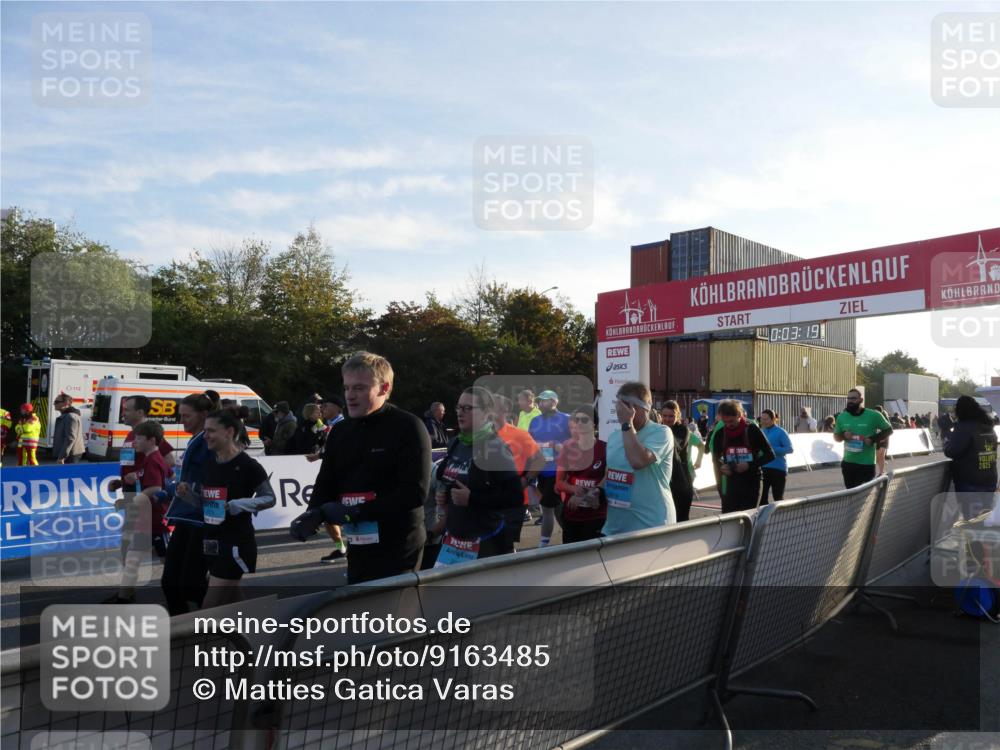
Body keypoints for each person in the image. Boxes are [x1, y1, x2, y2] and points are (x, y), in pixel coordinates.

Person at [289, 352, 432, 584]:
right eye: (347, 388)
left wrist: (356, 512)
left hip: (398, 546)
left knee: (391, 616)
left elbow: (415, 492)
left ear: (384, 388)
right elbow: (327, 480)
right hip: (358, 543)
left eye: (359, 388)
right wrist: (313, 512)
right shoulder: (341, 431)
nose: (350, 396)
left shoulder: (408, 427)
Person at [177, 409, 275, 608]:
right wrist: (188, 495)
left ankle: (203, 639)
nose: (205, 436)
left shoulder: (248, 465)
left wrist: (237, 505)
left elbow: (269, 498)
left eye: (211, 431)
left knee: (210, 606)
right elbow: (207, 505)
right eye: (205, 431)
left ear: (229, 432)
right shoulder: (208, 464)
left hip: (235, 543)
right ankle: (261, 631)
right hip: (211, 540)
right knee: (233, 601)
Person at [432, 387, 522, 565]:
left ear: (486, 413)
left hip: (485, 542)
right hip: (453, 541)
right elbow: (453, 480)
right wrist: (445, 496)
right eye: (459, 407)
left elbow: (515, 497)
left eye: (468, 408)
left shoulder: (495, 448)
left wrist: (472, 498)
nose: (460, 413)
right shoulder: (456, 442)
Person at [106, 420, 171, 603]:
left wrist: (130, 502)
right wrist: (122, 482)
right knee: (133, 559)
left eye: (139, 439)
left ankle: (192, 592)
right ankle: (123, 598)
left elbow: (156, 487)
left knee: (171, 564)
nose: (135, 442)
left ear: (151, 440)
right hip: (145, 521)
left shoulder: (154, 459)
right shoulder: (148, 459)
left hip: (157, 523)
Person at [161, 393, 213, 615]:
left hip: (200, 519)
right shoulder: (195, 439)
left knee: (189, 583)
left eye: (187, 416)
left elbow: (206, 482)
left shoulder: (207, 441)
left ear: (203, 415)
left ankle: (224, 617)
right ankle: (181, 624)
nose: (182, 421)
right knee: (171, 582)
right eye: (180, 416)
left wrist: (174, 487)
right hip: (185, 516)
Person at [603, 382, 675, 535]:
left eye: (625, 406)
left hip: (650, 525)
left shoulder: (661, 432)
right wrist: (595, 491)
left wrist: (627, 423)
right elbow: (611, 472)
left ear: (641, 408)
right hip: (617, 526)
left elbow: (638, 461)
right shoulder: (615, 436)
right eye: (619, 405)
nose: (619, 410)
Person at [492, 393, 545, 547]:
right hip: (486, 499)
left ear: (504, 411)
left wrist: (526, 480)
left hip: (513, 501)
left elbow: (540, 460)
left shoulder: (519, 434)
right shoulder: (480, 434)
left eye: (492, 406)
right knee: (488, 545)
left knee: (506, 544)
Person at [710, 400, 775, 513]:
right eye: (725, 422)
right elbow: (715, 458)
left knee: (748, 519)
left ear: (739, 415)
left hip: (751, 482)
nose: (728, 425)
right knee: (729, 520)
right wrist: (722, 467)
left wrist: (749, 465)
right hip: (731, 482)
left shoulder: (752, 430)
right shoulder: (721, 433)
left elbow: (770, 455)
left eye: (731, 421)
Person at [556, 406, 607, 542]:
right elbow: (559, 483)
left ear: (594, 425)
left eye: (584, 420)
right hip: (572, 514)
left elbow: (609, 478)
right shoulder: (567, 448)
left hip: (596, 516)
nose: (579, 423)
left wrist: (590, 494)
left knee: (594, 559)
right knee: (571, 558)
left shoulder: (604, 448)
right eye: (576, 420)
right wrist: (574, 489)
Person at [528, 389, 572, 547]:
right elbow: (530, 443)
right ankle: (545, 544)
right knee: (546, 509)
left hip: (560, 471)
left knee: (558, 509)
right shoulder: (535, 421)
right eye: (539, 400)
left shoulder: (567, 419)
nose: (540, 403)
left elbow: (577, 443)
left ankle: (568, 540)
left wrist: (559, 446)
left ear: (554, 402)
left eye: (544, 400)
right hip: (541, 471)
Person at [944, 395, 998, 520]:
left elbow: (953, 450)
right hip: (989, 478)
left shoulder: (964, 427)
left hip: (969, 481)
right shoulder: (989, 427)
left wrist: (947, 442)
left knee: (973, 521)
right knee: (986, 518)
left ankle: (976, 540)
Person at [834, 388, 893, 489]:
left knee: (864, 497)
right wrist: (844, 436)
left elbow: (888, 430)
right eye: (848, 398)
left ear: (861, 400)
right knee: (851, 494)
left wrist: (873, 439)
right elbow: (836, 437)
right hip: (848, 463)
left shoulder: (874, 415)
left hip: (866, 464)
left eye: (853, 398)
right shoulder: (842, 417)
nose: (850, 401)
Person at [660, 401, 696, 522]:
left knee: (681, 519)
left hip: (681, 481)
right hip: (665, 481)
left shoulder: (683, 430)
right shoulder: (658, 429)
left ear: (678, 416)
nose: (667, 419)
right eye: (664, 416)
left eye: (671, 416)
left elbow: (676, 446)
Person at [759, 410, 793, 504]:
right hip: (763, 468)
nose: (763, 421)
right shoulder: (761, 431)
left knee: (777, 497)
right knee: (762, 498)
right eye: (762, 419)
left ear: (774, 419)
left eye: (766, 419)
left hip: (778, 469)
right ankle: (763, 518)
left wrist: (771, 449)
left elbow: (789, 449)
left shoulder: (781, 432)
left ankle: (781, 518)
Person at [51, 393, 85, 464]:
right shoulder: (67, 416)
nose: (54, 404)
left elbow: (70, 438)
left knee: (69, 474)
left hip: (70, 455)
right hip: (69, 454)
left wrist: (62, 456)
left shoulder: (70, 417)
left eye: (56, 402)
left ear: (66, 403)